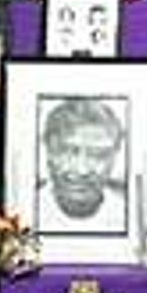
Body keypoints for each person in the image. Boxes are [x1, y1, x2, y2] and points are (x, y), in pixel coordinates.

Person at [36, 98, 128, 232]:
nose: (81, 170)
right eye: (66, 151)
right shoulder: (26, 209)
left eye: (98, 154)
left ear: (115, 155)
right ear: (48, 148)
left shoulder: (129, 214)